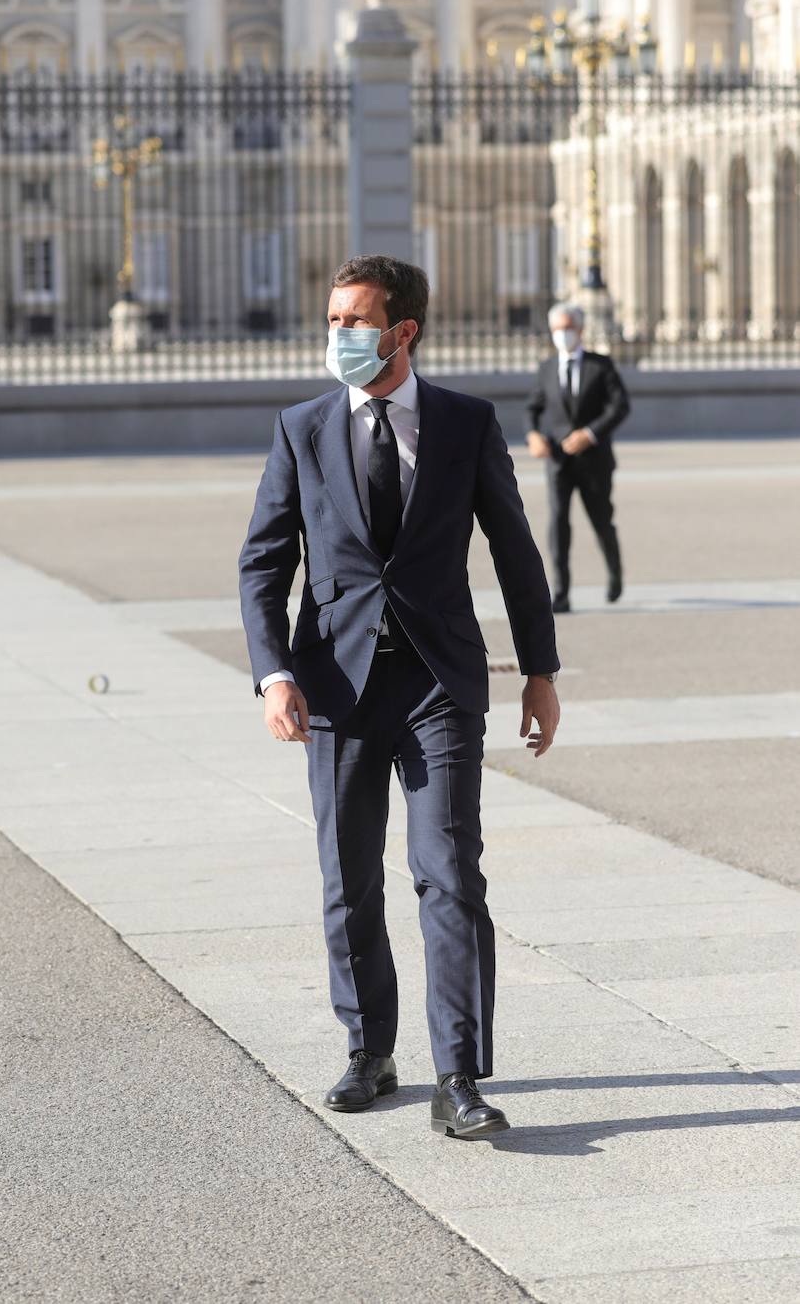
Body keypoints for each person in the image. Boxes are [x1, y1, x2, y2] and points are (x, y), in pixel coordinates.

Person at [238, 255, 559, 1141]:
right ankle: (369, 1052)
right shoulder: (302, 428)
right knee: (348, 879)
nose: (337, 334)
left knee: (450, 873)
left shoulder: (465, 424)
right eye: (333, 319)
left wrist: (541, 671)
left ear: (402, 330)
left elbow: (514, 550)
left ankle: (458, 1074)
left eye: (352, 320)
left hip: (437, 684)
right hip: (334, 688)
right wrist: (275, 674)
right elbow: (264, 564)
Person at [526, 302, 631, 614]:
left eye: (568, 328)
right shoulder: (546, 368)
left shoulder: (601, 365)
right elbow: (534, 407)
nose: (562, 334)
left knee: (601, 520)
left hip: (594, 460)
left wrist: (590, 433)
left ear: (580, 330)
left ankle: (614, 575)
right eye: (557, 329)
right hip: (558, 460)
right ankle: (561, 591)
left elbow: (619, 406)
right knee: (558, 523)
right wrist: (533, 435)